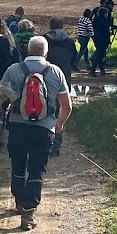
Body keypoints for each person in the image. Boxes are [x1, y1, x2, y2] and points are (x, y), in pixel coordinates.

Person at [0, 36, 72, 230]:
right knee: (36, 168)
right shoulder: (55, 72)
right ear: (46, 53)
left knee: (18, 164)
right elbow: (67, 106)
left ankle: (18, 201)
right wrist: (59, 123)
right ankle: (28, 213)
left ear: (27, 51)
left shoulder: (14, 70)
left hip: (18, 126)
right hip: (44, 128)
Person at [43, 17, 78, 157]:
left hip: (46, 80)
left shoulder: (45, 40)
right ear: (62, 27)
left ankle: (45, 143)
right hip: (64, 80)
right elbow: (75, 59)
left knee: (46, 112)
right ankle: (56, 145)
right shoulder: (69, 42)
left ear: (50, 26)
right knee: (60, 112)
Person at [90, 7, 113, 77]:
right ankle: (93, 70)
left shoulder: (95, 21)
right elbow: (106, 32)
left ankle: (102, 70)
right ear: (104, 14)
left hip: (96, 40)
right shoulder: (104, 21)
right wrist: (109, 40)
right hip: (103, 40)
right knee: (100, 55)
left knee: (99, 54)